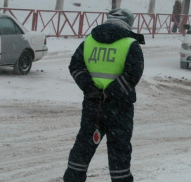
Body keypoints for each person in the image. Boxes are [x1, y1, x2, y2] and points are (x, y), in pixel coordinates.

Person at [63, 8, 145, 182]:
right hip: (120, 108)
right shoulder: (130, 44)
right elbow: (133, 75)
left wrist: (91, 88)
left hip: (94, 105)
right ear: (129, 24)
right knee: (119, 151)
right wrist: (110, 93)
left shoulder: (89, 41)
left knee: (83, 147)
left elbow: (75, 66)